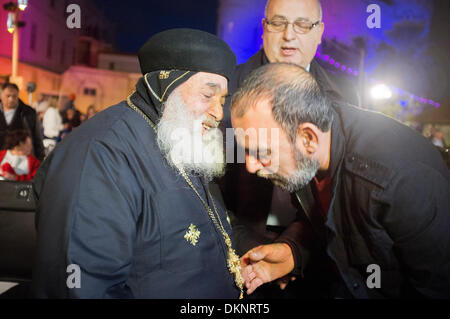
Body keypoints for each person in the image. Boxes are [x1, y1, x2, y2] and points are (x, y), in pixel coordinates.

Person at [31, 28, 244, 299]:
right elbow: (83, 289)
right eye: (207, 95)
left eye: (222, 99)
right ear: (165, 87)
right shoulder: (101, 153)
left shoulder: (180, 139)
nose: (218, 112)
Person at [231, 63, 450, 298]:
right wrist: (293, 251)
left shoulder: (401, 179)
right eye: (244, 150)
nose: (251, 166)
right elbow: (325, 221)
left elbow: (437, 287)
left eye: (262, 152)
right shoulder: (309, 148)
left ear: (308, 139)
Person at [220, 0, 358, 296]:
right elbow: (204, 187)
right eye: (278, 23)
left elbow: (346, 189)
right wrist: (251, 248)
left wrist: (299, 251)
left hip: (320, 260)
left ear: (319, 32)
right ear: (264, 28)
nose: (289, 35)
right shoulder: (226, 90)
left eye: (302, 25)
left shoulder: (346, 93)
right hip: (239, 259)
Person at [0, 83, 45, 161]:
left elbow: (37, 137)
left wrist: (40, 159)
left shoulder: (29, 113)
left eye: (14, 96)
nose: (11, 99)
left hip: (22, 160)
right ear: (1, 96)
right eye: (8, 96)